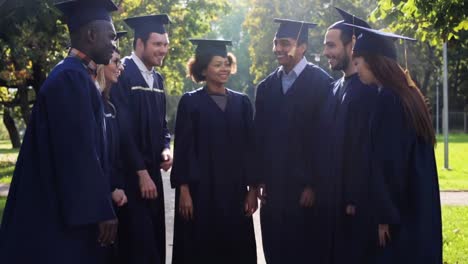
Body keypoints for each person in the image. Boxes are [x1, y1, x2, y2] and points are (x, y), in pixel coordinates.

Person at [0, 0, 118, 263]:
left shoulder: (75, 76)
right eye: (111, 36)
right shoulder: (70, 79)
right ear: (90, 35)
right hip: (58, 214)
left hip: (66, 205)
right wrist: (100, 209)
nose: (114, 44)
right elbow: (78, 153)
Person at [348, 24, 442, 263]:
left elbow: (389, 163)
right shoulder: (409, 94)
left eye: (358, 61)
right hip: (418, 204)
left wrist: (384, 217)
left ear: (373, 61)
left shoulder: (388, 100)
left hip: (399, 214)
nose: (355, 68)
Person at [170, 39, 258, 264]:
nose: (225, 69)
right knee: (202, 252)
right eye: (218, 64)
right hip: (202, 196)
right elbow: (184, 150)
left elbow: (251, 149)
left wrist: (252, 189)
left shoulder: (242, 103)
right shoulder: (191, 103)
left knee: (235, 250)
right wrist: (184, 191)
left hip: (234, 194)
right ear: (202, 69)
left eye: (227, 63)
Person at [254, 18, 334, 264]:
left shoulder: (322, 84)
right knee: (275, 249)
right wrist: (257, 181)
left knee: (304, 251)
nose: (278, 48)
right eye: (276, 43)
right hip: (274, 190)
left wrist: (313, 184)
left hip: (304, 190)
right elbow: (258, 138)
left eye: (285, 43)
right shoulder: (266, 87)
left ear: (303, 47)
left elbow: (325, 140)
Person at [110, 14, 172, 264]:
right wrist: (141, 172)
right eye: (157, 44)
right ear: (139, 43)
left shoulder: (157, 79)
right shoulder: (123, 74)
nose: (163, 50)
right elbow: (122, 129)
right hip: (130, 174)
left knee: (155, 241)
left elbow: (163, 126)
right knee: (137, 246)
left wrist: (167, 148)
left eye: (165, 45)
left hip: (152, 176)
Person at [322, 7, 379, 263]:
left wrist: (354, 197)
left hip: (354, 204)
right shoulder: (334, 88)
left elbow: (365, 150)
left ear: (351, 45)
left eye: (331, 46)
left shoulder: (367, 92)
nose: (326, 53)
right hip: (332, 199)